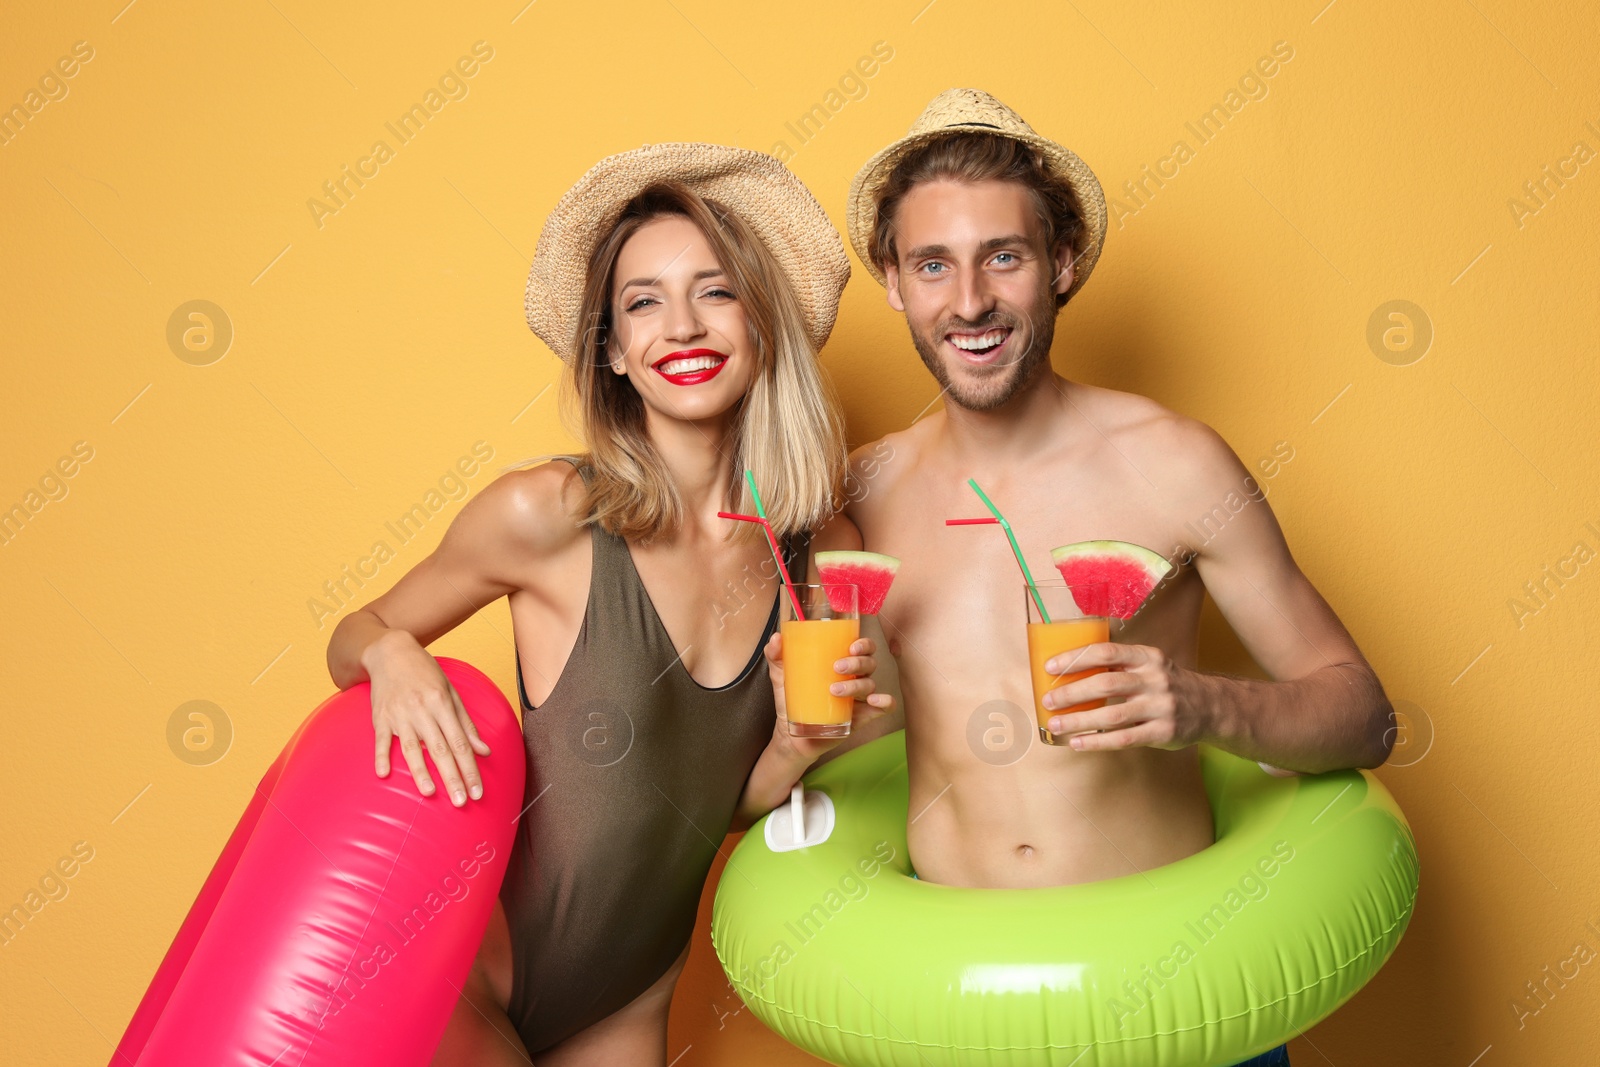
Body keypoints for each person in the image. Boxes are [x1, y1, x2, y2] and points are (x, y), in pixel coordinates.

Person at [840, 89, 1396, 1067]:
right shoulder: (868, 489)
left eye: (1002, 255)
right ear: (893, 280)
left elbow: (1364, 715)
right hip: (953, 1002)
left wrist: (1201, 703)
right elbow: (867, 725)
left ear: (1060, 263)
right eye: (933, 262)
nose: (968, 300)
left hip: (1168, 996)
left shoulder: (1173, 462)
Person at [324, 143, 894, 1066]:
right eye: (643, 303)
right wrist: (392, 655)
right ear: (614, 352)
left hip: (628, 1005)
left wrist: (795, 745)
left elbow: (718, 810)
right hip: (472, 977)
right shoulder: (546, 514)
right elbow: (354, 633)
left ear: (761, 323)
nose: (682, 326)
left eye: (715, 291)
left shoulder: (820, 554)